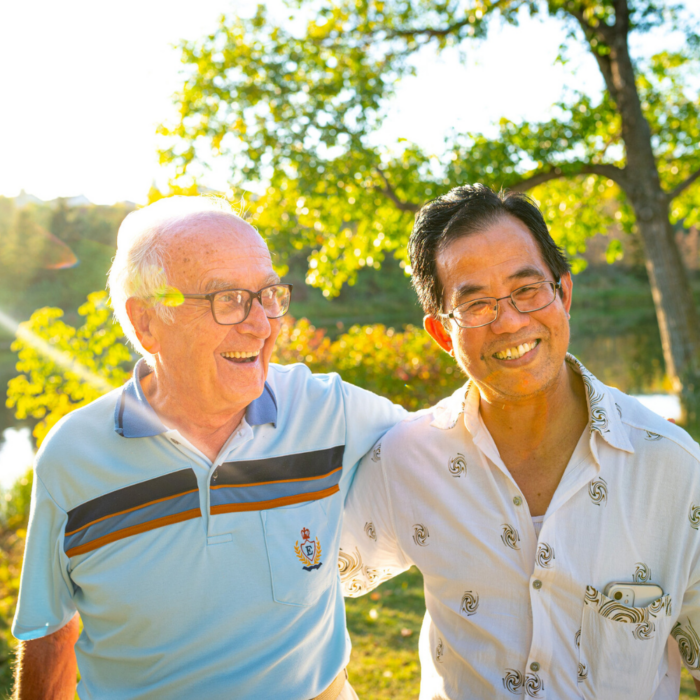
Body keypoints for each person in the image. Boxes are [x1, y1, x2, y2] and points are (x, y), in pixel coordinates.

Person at [11, 196, 405, 700]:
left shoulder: (329, 410)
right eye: (228, 300)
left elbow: (454, 450)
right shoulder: (73, 454)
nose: (262, 325)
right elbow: (51, 625)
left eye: (267, 295)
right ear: (146, 321)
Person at [340, 184, 700, 700]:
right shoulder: (408, 459)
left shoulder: (675, 470)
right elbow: (306, 579)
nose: (509, 322)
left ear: (564, 295)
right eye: (477, 303)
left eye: (527, 290)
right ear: (442, 335)